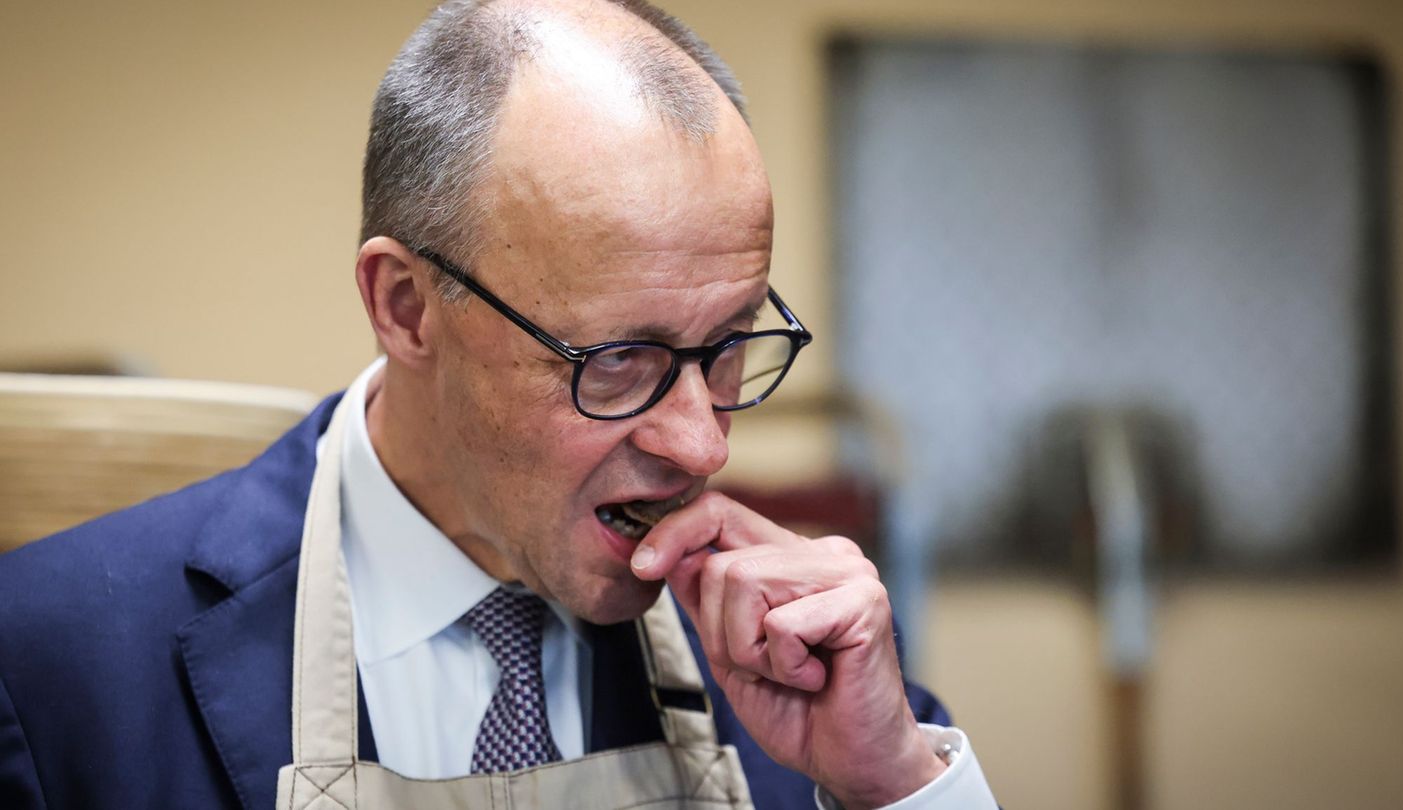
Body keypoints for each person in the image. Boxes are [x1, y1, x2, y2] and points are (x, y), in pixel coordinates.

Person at [0, 1, 998, 808]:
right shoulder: (53, 668)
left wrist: (894, 783)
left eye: (732, 344)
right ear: (406, 307)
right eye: (616, 360)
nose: (701, 445)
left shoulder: (791, 664)